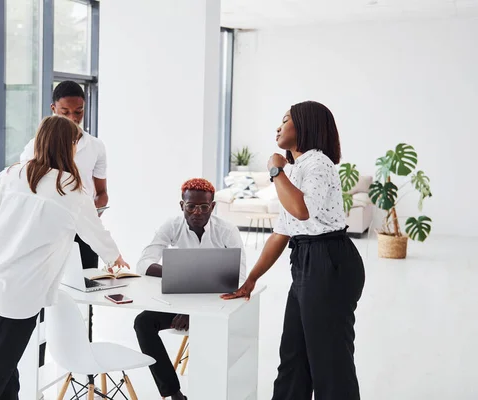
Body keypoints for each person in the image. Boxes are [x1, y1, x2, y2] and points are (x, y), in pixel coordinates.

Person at [0, 115, 128, 400]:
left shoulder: (12, 174)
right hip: (14, 298)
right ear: (70, 146)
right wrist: (117, 259)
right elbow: (96, 234)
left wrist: (1, 244)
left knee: (2, 374)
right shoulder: (74, 191)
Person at [222, 101, 365, 400]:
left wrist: (276, 170)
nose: (278, 126)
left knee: (330, 363)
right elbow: (281, 232)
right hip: (307, 261)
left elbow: (302, 211)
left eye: (285, 120)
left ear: (305, 126)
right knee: (293, 357)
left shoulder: (318, 163)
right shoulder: (298, 169)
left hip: (329, 260)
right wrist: (251, 280)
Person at [134, 178, 246, 400]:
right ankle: (175, 394)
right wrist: (178, 270)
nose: (197, 212)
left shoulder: (227, 230)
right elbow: (143, 264)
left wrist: (193, 312)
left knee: (210, 327)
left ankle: (214, 392)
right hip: (180, 304)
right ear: (181, 205)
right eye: (190, 206)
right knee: (143, 323)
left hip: (216, 307)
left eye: (204, 206)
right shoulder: (172, 225)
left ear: (212, 206)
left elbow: (238, 279)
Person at [20, 80, 107, 270]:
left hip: (83, 228)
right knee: (50, 284)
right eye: (65, 111)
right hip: (48, 229)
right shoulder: (34, 147)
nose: (72, 118)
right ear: (53, 108)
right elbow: (26, 188)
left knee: (87, 285)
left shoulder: (96, 147)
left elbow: (101, 192)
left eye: (78, 111)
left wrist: (94, 209)